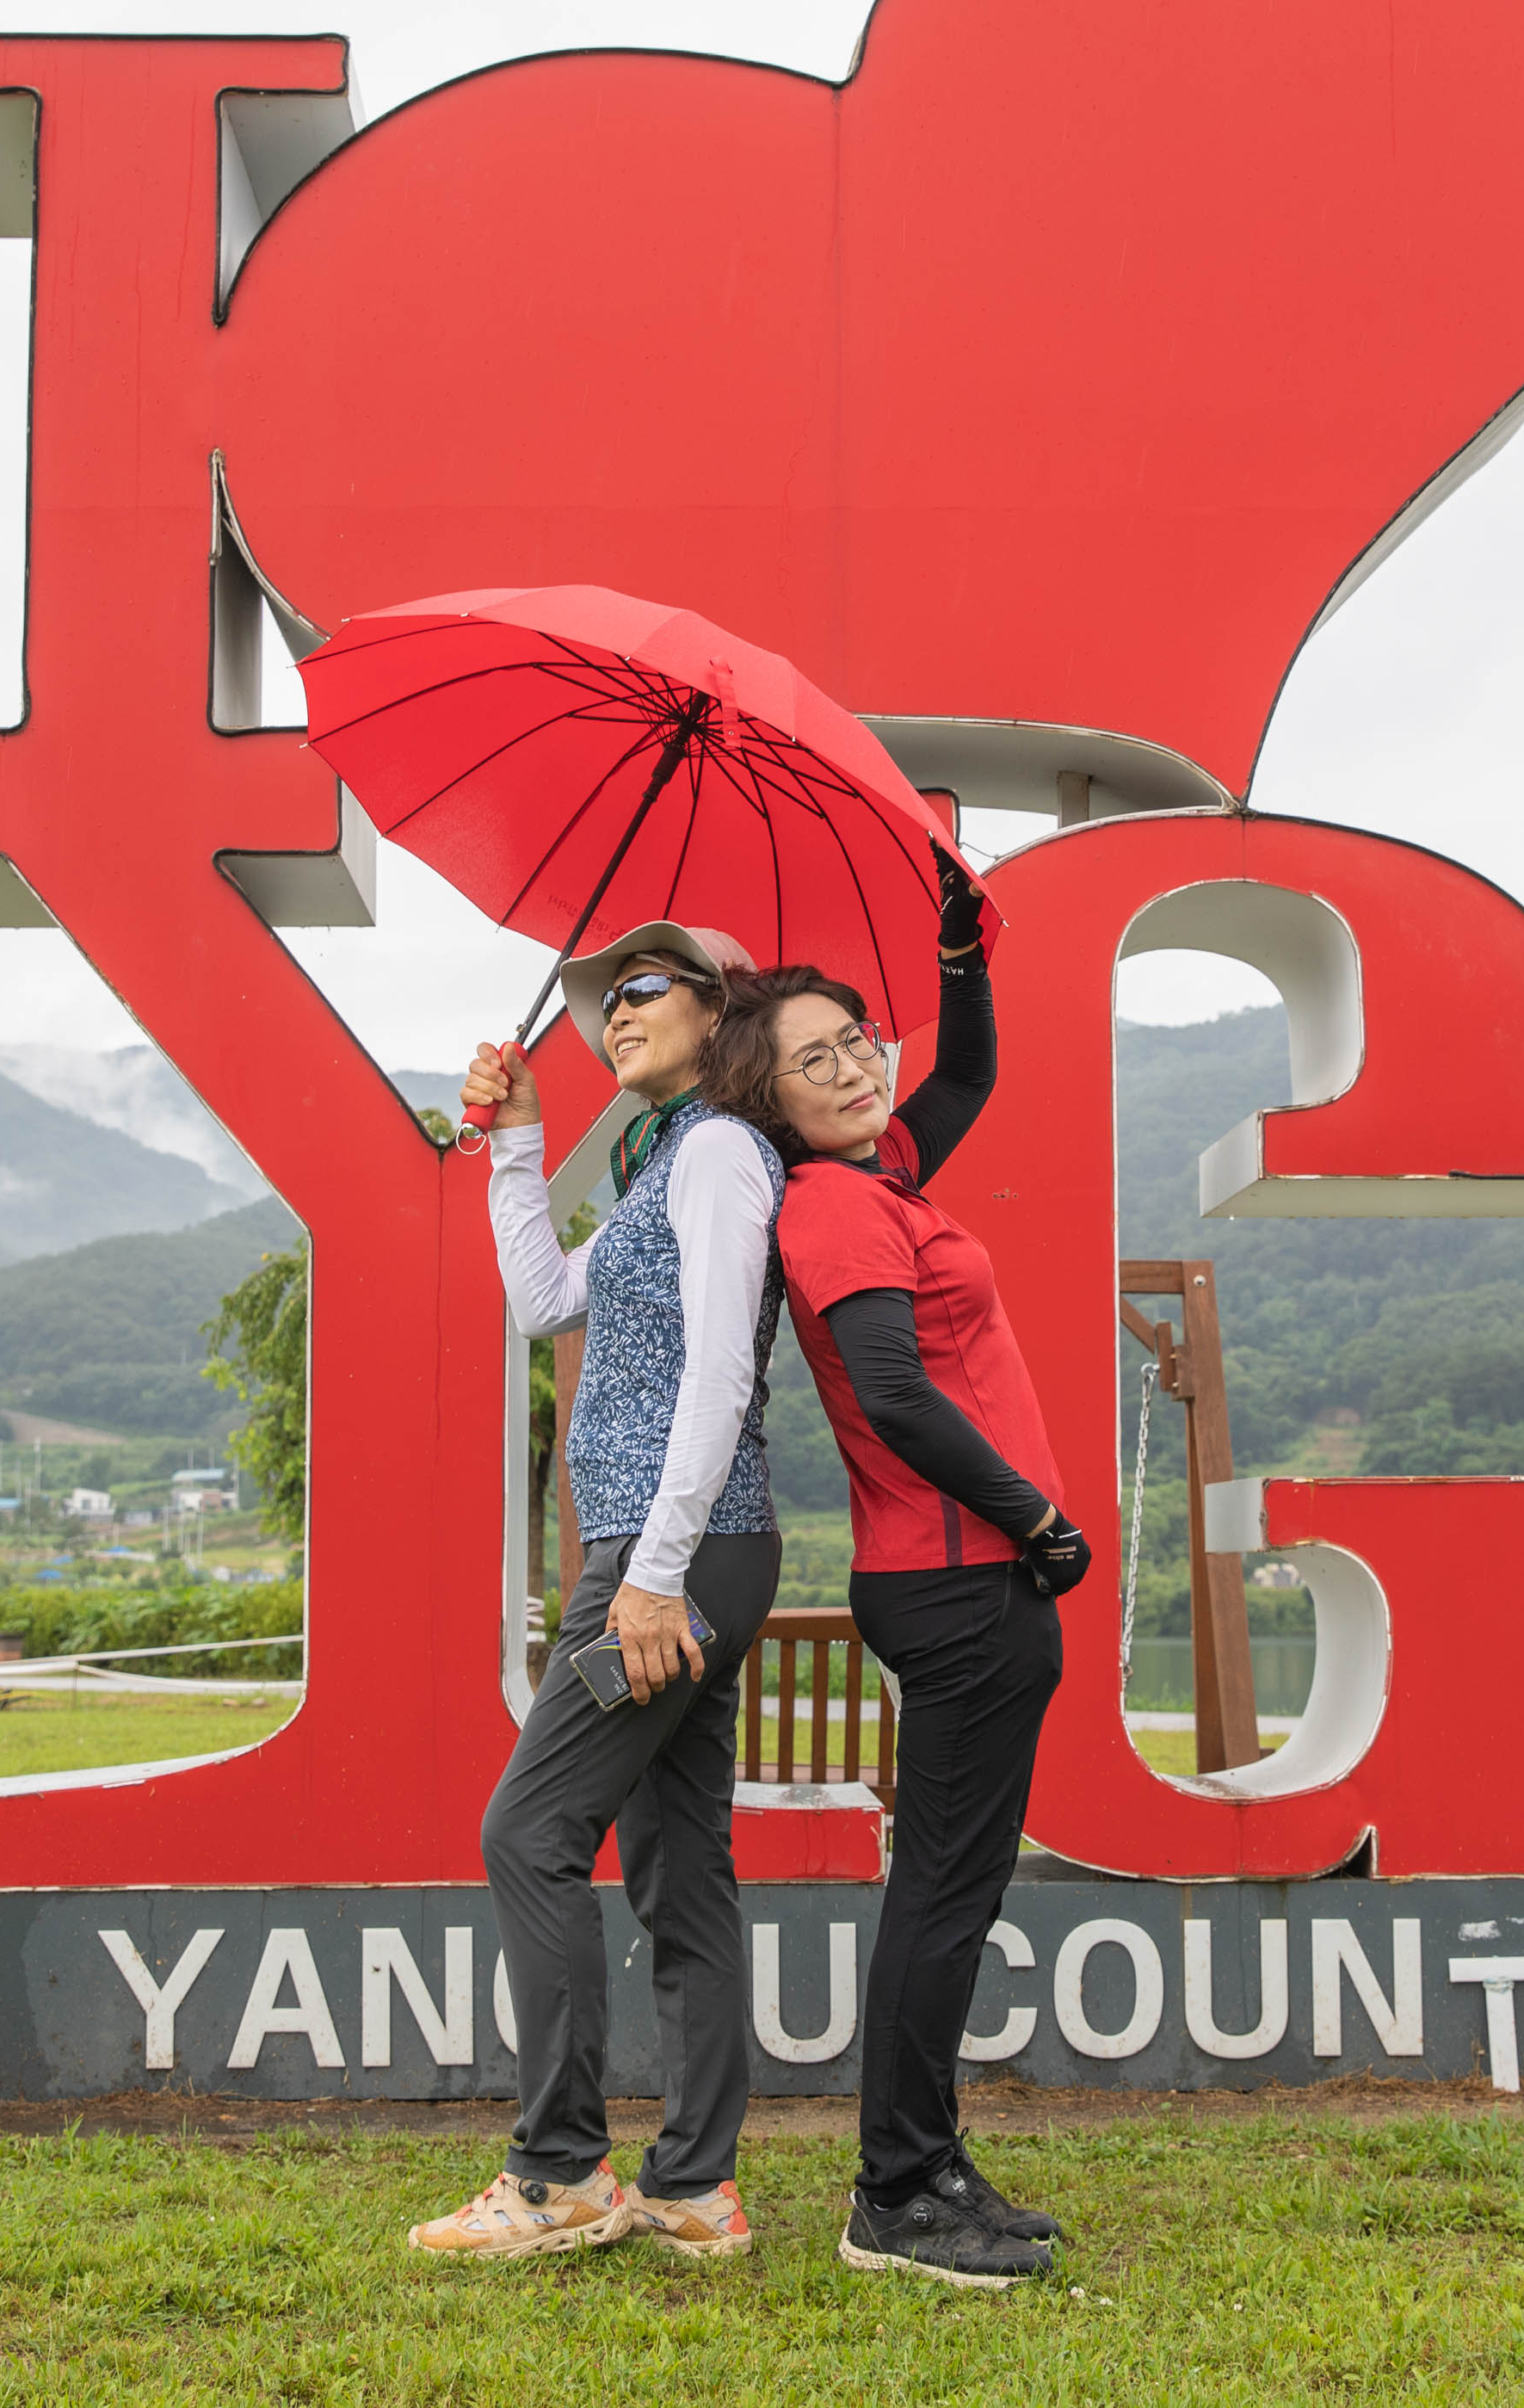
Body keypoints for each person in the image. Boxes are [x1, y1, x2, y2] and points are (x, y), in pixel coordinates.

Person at [700, 860, 1093, 2291]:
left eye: (856, 1038)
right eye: (813, 1059)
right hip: (962, 1576)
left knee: (957, 1890)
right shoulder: (833, 1208)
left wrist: (958, 946)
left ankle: (927, 2162)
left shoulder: (885, 1178)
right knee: (940, 1895)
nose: (854, 1065)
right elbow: (896, 1393)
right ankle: (896, 2193)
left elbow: (967, 1069)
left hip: (971, 1577)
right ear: (771, 1101)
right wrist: (1035, 1516)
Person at [407, 922, 786, 2265]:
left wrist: (654, 1574)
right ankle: (694, 2187)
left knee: (530, 1828)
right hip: (676, 1549)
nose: (613, 1011)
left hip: (667, 1554)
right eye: (602, 997)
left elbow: (723, 1372)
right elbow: (543, 1298)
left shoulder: (722, 1150)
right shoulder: (659, 1162)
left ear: (715, 1006)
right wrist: (517, 1141)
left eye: (641, 987)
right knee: (680, 1865)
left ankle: (561, 2169)